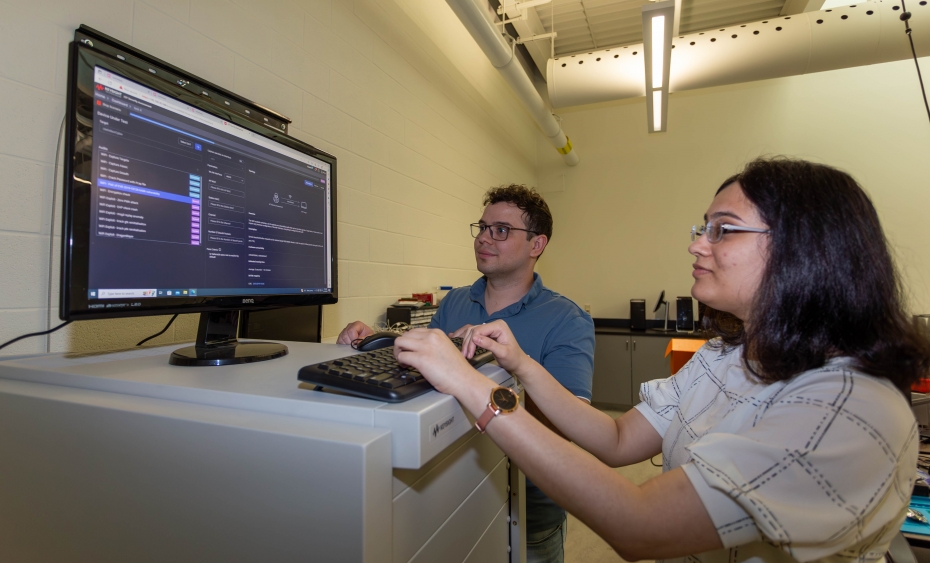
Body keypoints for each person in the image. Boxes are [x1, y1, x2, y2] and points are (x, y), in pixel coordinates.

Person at [393, 158, 930, 562]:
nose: (698, 245)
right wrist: (522, 365)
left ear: (806, 249)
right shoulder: (726, 356)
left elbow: (639, 525)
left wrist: (476, 389)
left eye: (723, 229)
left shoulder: (846, 408)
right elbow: (618, 440)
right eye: (703, 228)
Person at [336, 184, 595, 563]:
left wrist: (501, 373)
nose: (484, 238)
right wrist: (378, 340)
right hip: (452, 494)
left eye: (501, 230)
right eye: (482, 227)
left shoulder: (568, 319)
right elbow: (424, 376)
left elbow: (573, 425)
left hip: (527, 512)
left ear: (536, 245)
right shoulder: (457, 301)